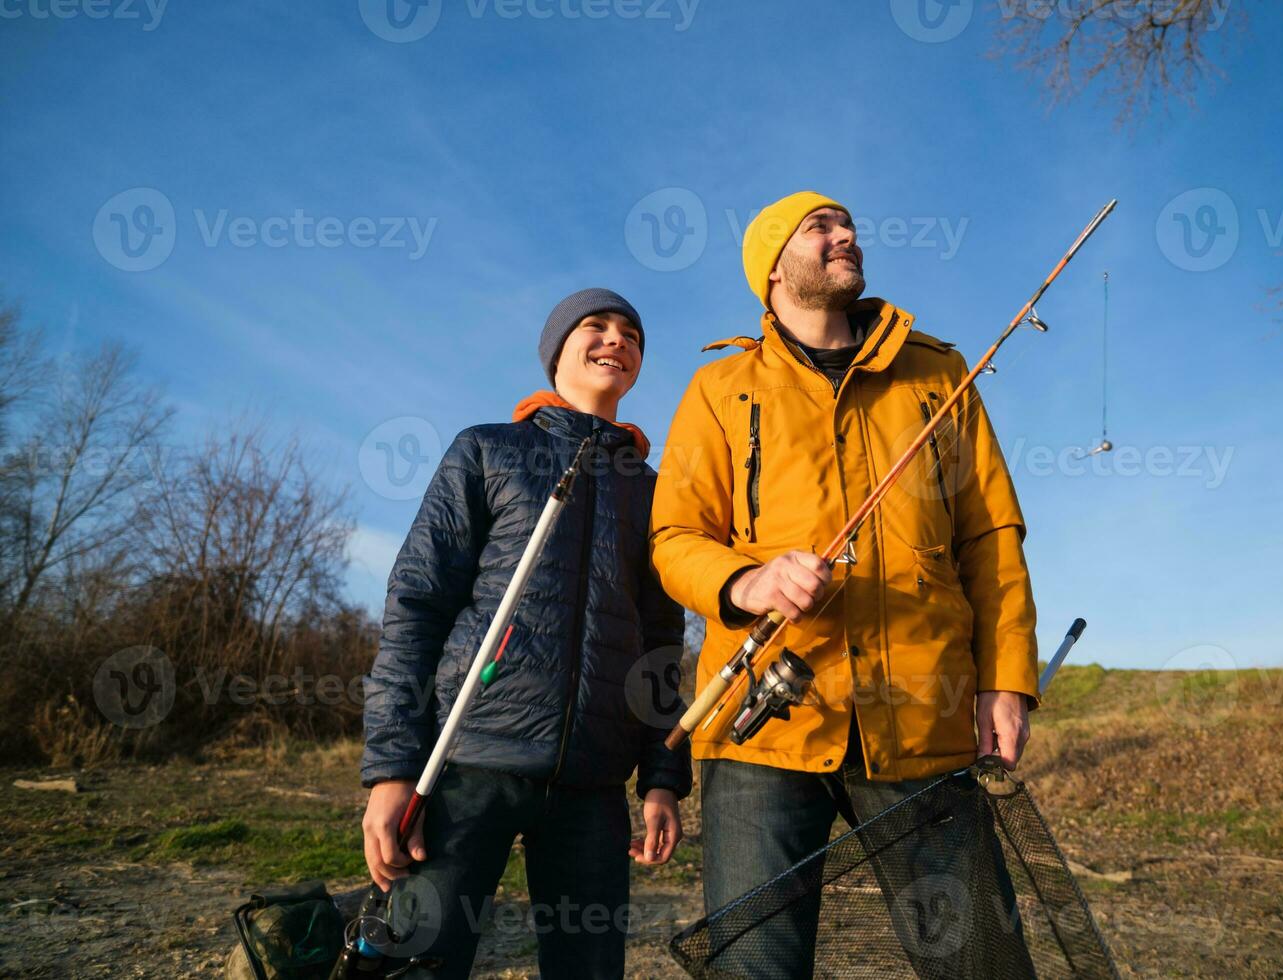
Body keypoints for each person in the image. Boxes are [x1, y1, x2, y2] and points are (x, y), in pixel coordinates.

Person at [650, 192, 1040, 976]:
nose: (847, 235)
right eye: (819, 228)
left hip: (924, 721)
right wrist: (746, 581)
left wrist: (1006, 679)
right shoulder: (719, 392)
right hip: (762, 732)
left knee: (981, 963)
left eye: (847, 223)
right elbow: (674, 539)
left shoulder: (939, 373)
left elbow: (990, 534)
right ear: (771, 267)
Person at [359, 288, 691, 979]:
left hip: (594, 782)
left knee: (589, 969)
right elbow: (417, 603)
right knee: (418, 962)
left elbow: (662, 640)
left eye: (631, 334)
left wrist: (662, 779)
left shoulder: (653, 490)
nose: (616, 340)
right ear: (556, 352)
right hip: (467, 764)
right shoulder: (487, 450)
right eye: (595, 327)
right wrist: (393, 769)